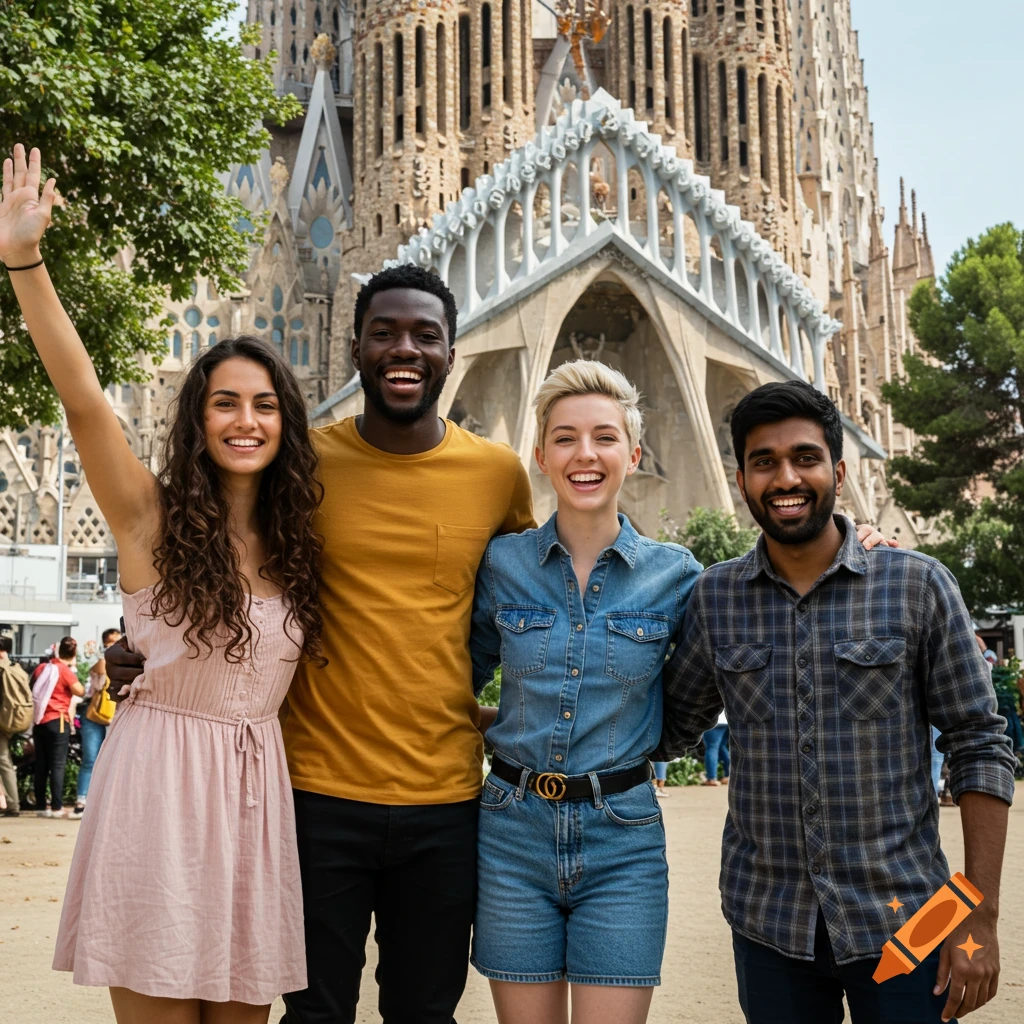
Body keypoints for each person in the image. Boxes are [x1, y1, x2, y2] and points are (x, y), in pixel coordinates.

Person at [109, 263, 536, 1023]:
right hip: (311, 793)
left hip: (444, 795)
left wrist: (529, 718)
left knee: (425, 1010)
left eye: (424, 335)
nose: (403, 349)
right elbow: (227, 560)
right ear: (355, 348)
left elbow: (534, 604)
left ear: (451, 352)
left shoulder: (497, 474)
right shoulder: (301, 468)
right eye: (384, 333)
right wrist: (147, 645)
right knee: (314, 1014)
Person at [1, 144, 324, 1022]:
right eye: (225, 402)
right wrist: (25, 260)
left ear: (285, 423)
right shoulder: (150, 518)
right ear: (198, 417)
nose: (245, 420)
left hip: (257, 801)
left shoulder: (300, 545)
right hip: (161, 790)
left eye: (263, 404)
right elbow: (82, 401)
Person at [468, 364, 893, 1024]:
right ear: (541, 453)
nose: (586, 455)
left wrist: (856, 546)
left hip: (621, 836)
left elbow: (761, 618)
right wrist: (499, 721)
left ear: (633, 454)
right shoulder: (502, 565)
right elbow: (446, 676)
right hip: (511, 830)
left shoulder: (681, 579)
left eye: (605, 438)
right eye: (566, 438)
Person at [654, 380, 1016, 1024]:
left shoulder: (917, 584)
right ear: (741, 479)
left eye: (805, 457)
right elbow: (668, 729)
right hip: (768, 919)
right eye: (763, 462)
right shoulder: (714, 599)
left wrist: (978, 916)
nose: (785, 477)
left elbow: (979, 745)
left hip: (911, 912)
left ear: (838, 472)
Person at [70, 626, 122, 818]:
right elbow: (98, 681)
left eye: (118, 641)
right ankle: (82, 800)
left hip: (115, 715)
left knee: (113, 761)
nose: (114, 645)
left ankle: (107, 802)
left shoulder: (128, 660)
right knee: (91, 759)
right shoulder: (99, 660)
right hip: (94, 715)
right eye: (110, 642)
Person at [30, 637, 85, 817]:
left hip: (39, 722)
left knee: (41, 765)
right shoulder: (64, 670)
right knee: (58, 764)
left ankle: (40, 806)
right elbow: (80, 691)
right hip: (58, 720)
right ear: (73, 653)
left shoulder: (41, 668)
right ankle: (56, 806)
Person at [1, 634, 27, 816]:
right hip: (10, 718)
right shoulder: (17, 668)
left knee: (4, 760)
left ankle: (12, 805)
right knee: (4, 761)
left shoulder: (2, 669)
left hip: (2, 719)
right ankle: (12, 803)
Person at [702, 711, 730, 786]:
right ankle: (728, 775)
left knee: (712, 747)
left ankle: (711, 778)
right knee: (722, 746)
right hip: (727, 719)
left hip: (713, 718)